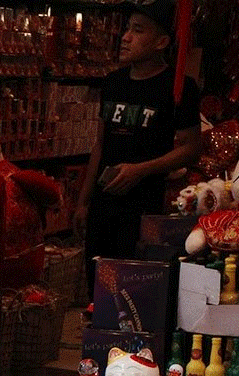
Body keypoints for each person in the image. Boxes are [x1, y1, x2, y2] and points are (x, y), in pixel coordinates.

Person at [74, 0, 202, 269]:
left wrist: (141, 170)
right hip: (103, 202)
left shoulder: (179, 87)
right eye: (126, 29)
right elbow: (100, 144)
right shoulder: (113, 82)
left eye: (138, 30)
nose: (125, 37)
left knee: (133, 286)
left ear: (161, 42)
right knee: (97, 283)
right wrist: (84, 202)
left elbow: (191, 148)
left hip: (143, 207)